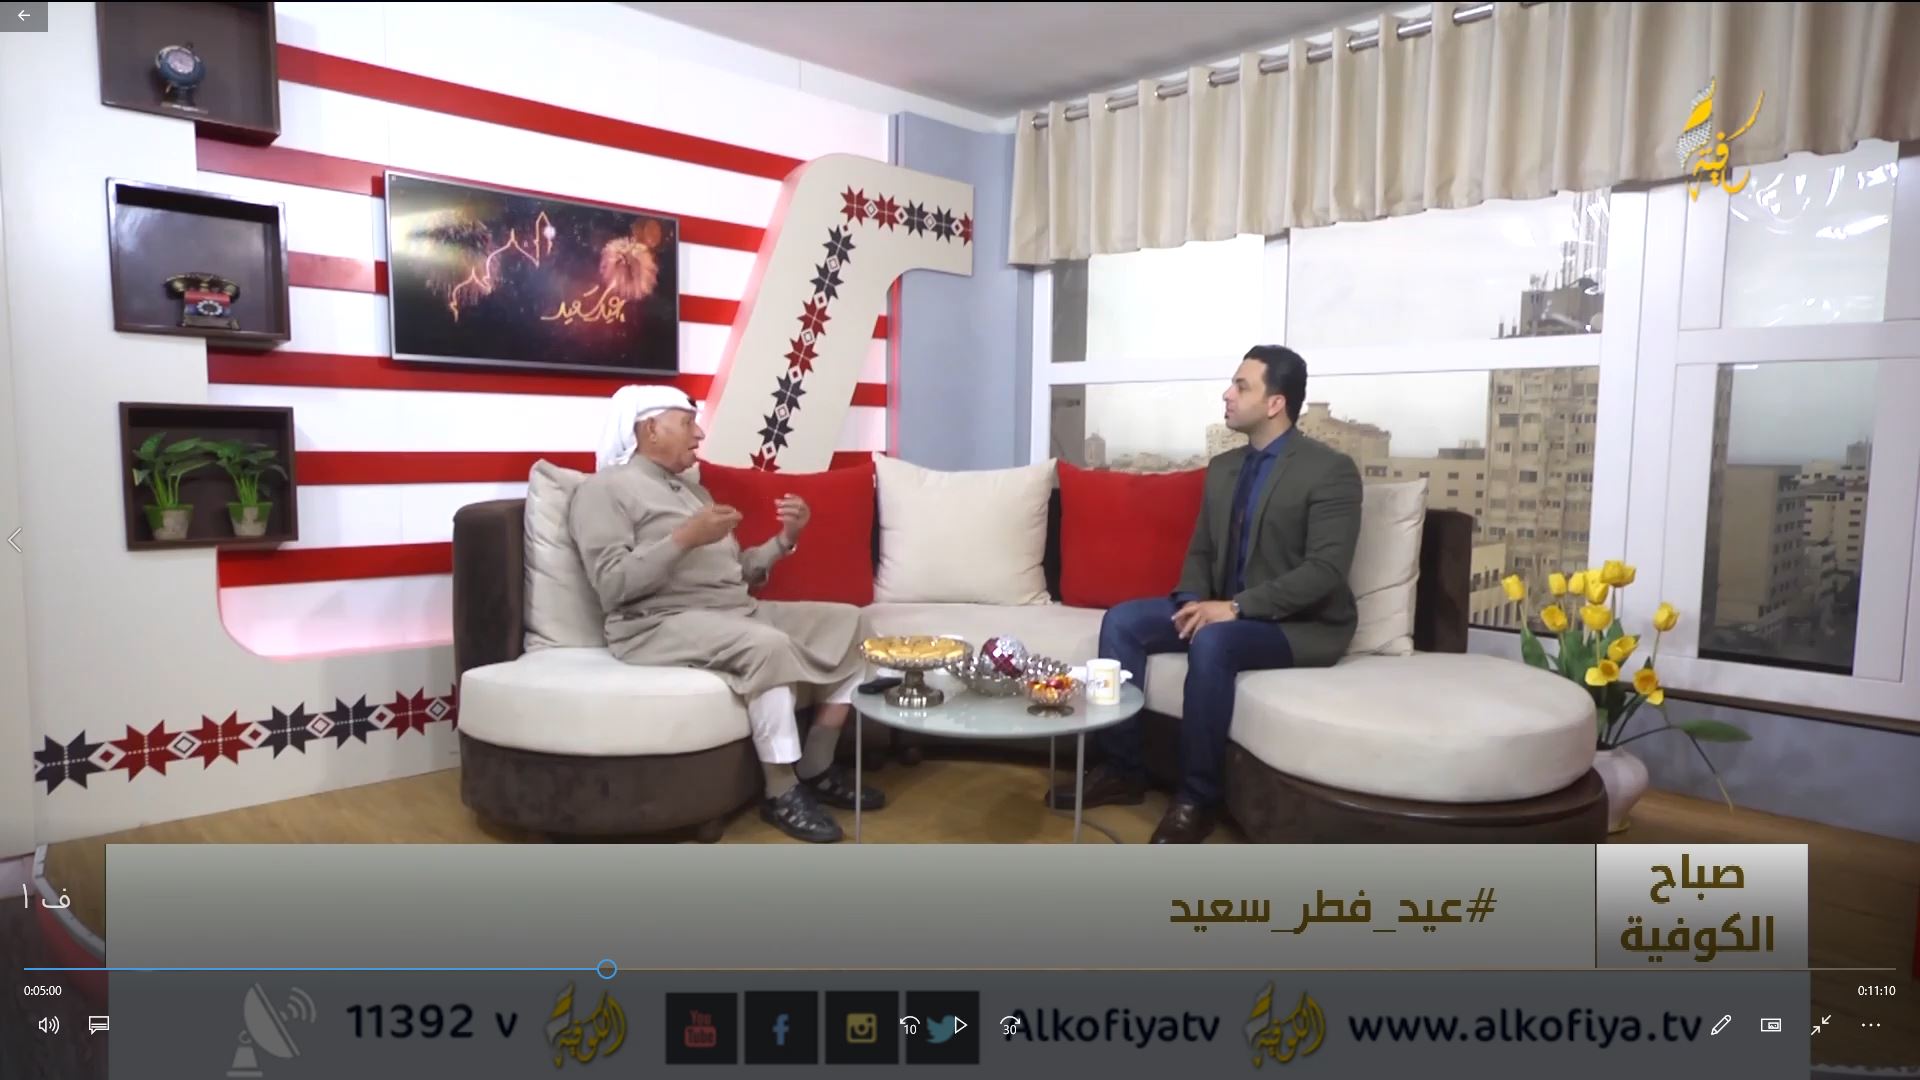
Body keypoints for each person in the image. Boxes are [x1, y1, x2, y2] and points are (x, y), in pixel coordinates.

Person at [1047, 346, 1363, 843]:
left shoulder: (1330, 470)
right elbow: (1202, 549)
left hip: (1297, 625)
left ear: (1275, 403)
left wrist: (1235, 608)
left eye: (1241, 386)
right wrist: (1193, 598)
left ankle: (1197, 797)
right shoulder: (1225, 467)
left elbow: (1323, 573)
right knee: (1124, 621)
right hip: (1224, 607)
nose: (1227, 394)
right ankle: (1123, 768)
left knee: (1214, 642)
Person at [567, 385, 885, 844]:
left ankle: (817, 765)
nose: (698, 435)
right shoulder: (603, 489)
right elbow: (613, 585)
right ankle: (781, 789)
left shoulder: (691, 490)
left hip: (735, 610)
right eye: (687, 424)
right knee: (766, 645)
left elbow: (737, 573)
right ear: (650, 429)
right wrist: (684, 538)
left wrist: (786, 538)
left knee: (854, 623)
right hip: (655, 623)